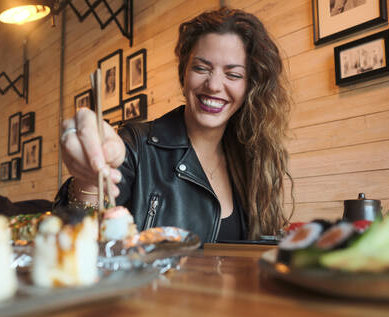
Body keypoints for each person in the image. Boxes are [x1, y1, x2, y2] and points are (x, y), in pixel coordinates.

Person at [57, 7, 293, 243]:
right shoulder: (138, 145)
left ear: (249, 86)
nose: (213, 85)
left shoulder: (250, 157)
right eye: (201, 68)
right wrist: (88, 180)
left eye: (233, 75)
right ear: (184, 74)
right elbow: (83, 230)